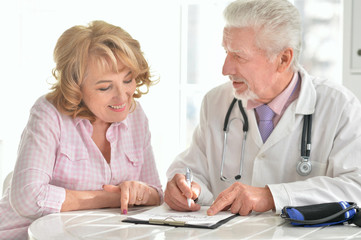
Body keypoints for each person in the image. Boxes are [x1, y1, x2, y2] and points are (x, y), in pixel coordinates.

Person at [165, 0, 361, 217]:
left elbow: (355, 187)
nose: (225, 69)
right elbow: (191, 170)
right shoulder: (215, 102)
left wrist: (272, 196)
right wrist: (185, 186)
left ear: (283, 59)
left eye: (238, 56)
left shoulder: (339, 107)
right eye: (226, 52)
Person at [0, 20, 162, 239]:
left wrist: (140, 192)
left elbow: (156, 194)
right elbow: (26, 198)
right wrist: (115, 198)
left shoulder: (136, 116)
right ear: (75, 86)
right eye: (105, 87)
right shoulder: (49, 113)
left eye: (128, 80)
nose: (122, 95)